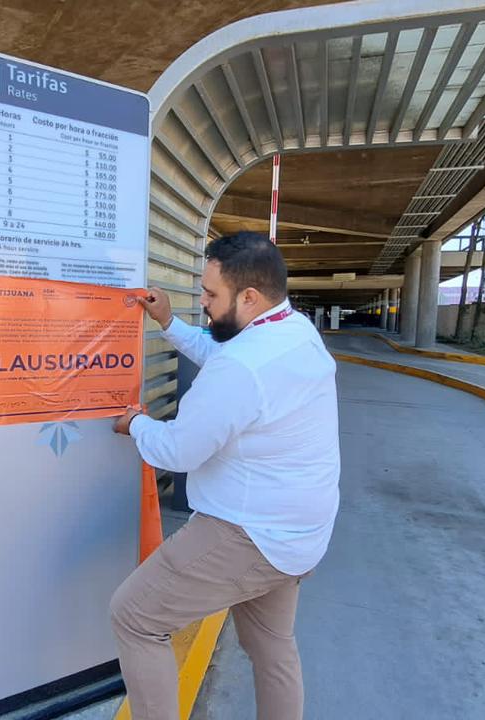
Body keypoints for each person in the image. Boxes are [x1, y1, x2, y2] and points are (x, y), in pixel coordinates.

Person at [110, 231, 340, 720]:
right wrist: (169, 322)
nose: (204, 303)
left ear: (250, 297)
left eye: (211, 295)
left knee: (134, 616)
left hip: (249, 533)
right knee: (273, 648)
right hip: (300, 532)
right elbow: (226, 358)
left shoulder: (243, 366)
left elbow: (177, 451)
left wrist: (137, 424)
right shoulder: (292, 330)